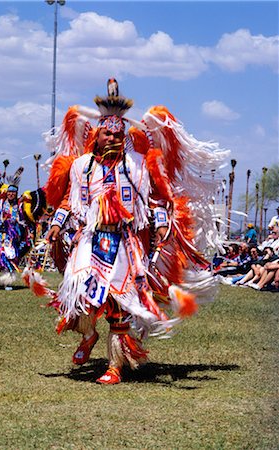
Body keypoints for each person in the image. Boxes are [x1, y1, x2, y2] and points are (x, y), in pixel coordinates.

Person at [35, 79, 229, 384]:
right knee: (82, 296)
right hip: (90, 238)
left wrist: (162, 223)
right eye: (107, 133)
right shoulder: (82, 166)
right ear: (96, 136)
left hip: (124, 242)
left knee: (118, 304)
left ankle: (115, 367)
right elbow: (70, 202)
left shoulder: (138, 165)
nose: (112, 137)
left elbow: (155, 199)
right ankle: (88, 335)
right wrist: (57, 226)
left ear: (124, 136)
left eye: (117, 133)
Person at [0, 168, 46, 290]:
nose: (11, 194)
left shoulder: (20, 206)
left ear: (16, 193)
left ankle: (6, 282)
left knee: (11, 257)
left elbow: (28, 219)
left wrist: (30, 233)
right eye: (9, 192)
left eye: (13, 192)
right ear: (6, 192)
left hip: (12, 237)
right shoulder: (0, 203)